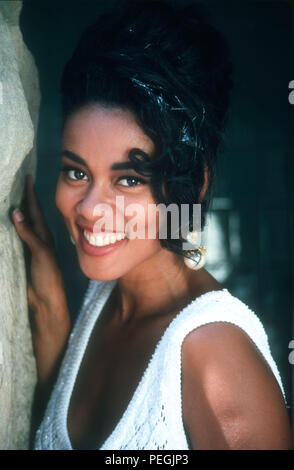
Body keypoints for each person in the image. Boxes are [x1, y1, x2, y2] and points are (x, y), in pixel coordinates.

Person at [12, 0, 292, 450]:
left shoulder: (214, 360)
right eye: (76, 172)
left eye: (128, 178)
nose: (91, 209)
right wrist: (50, 308)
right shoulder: (102, 301)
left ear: (191, 185)